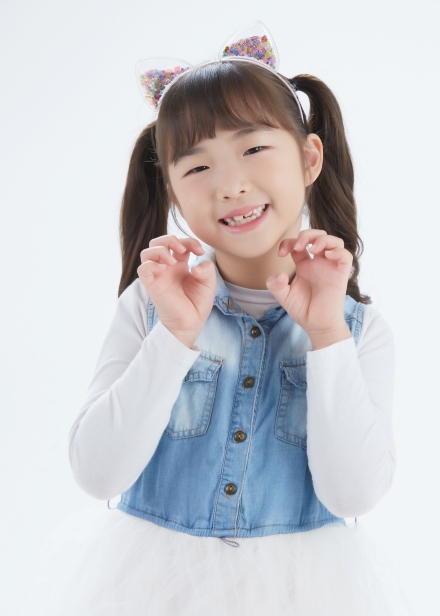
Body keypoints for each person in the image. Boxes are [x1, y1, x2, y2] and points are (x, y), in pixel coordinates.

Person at [22, 23, 418, 616]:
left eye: (254, 149)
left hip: (303, 595)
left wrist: (327, 334)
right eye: (197, 168)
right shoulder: (149, 304)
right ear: (173, 193)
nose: (231, 185)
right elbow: (98, 474)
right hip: (154, 592)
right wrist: (175, 334)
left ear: (309, 158)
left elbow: (354, 494)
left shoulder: (358, 329)